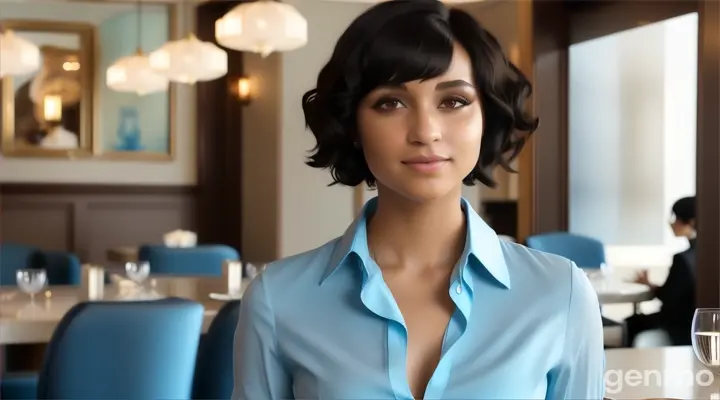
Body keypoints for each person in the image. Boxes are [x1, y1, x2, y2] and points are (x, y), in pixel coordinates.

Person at [233, 1, 605, 399]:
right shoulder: (278, 299)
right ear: (353, 123)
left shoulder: (560, 293)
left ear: (487, 118)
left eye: (454, 101)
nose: (425, 131)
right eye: (390, 103)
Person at [626, 196, 697, 346]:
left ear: (690, 221)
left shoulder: (682, 259)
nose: (671, 223)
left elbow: (669, 298)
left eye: (675, 217)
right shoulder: (704, 255)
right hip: (691, 322)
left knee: (631, 322)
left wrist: (651, 287)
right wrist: (650, 284)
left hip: (680, 325)